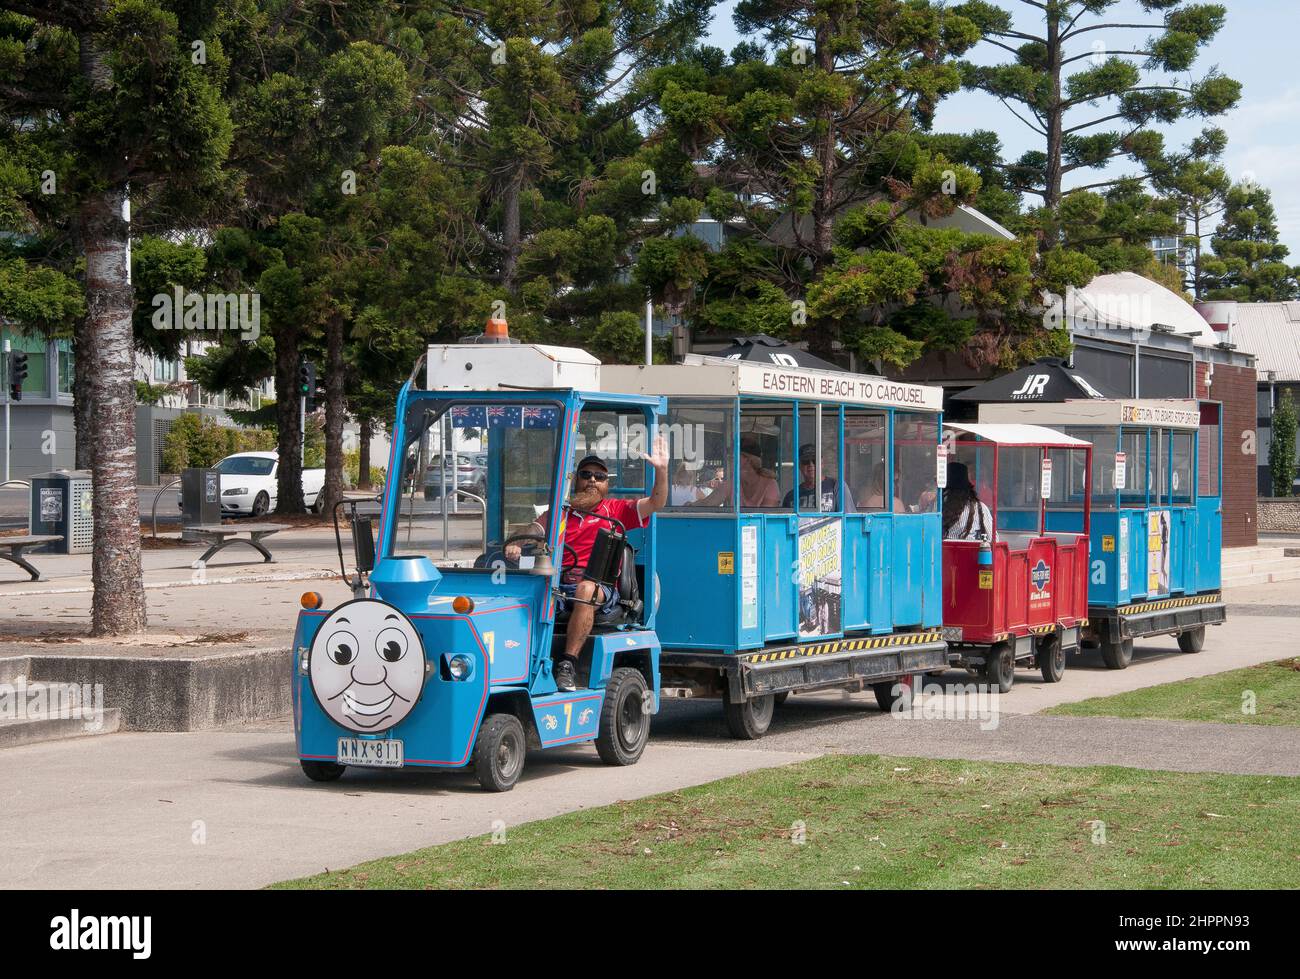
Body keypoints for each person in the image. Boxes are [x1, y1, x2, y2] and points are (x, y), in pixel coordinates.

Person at [505, 436, 669, 691]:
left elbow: (657, 501)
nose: (592, 480)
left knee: (585, 589)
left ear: (606, 484)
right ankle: (521, 661)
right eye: (586, 474)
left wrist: (661, 470)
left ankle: (567, 665)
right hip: (558, 583)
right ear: (576, 480)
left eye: (599, 476)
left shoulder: (616, 510)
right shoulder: (561, 511)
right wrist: (518, 543)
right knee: (526, 590)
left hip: (599, 587)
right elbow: (536, 528)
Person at [693, 436, 781, 508]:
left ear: (747, 460)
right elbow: (708, 503)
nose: (729, 460)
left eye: (732, 456)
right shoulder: (732, 483)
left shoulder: (770, 485)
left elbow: (766, 519)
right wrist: (689, 505)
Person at [783, 443, 857, 511]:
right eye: (805, 461)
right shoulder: (791, 496)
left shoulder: (837, 487)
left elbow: (849, 520)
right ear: (799, 465)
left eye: (815, 461)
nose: (811, 465)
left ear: (822, 463)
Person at [943, 461, 992, 541]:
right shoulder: (979, 507)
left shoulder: (938, 507)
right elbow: (992, 539)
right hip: (970, 552)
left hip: (943, 552)